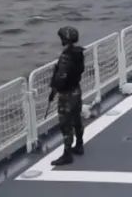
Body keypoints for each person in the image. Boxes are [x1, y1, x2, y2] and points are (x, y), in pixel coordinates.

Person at [48, 26, 85, 166]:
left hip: (66, 95)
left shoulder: (66, 57)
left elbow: (61, 77)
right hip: (76, 90)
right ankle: (79, 144)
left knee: (65, 124)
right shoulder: (79, 53)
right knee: (77, 120)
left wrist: (54, 89)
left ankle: (67, 154)